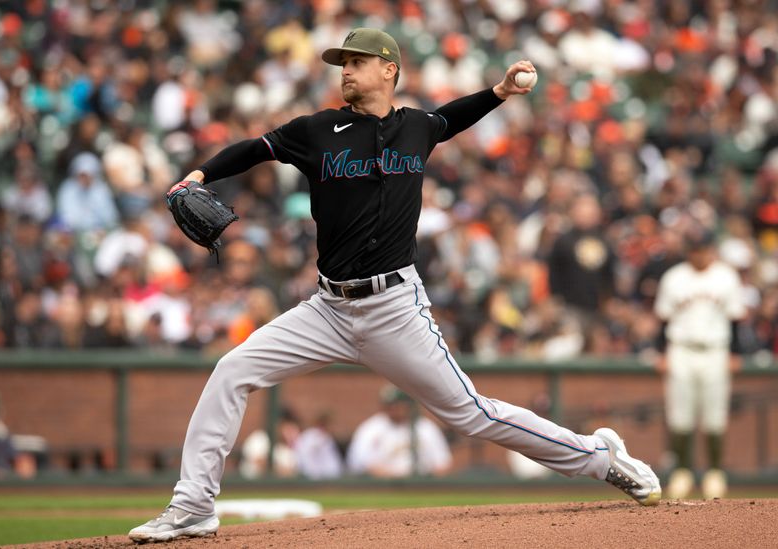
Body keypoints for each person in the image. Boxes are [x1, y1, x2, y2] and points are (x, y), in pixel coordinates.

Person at [129, 28, 661, 542]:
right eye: (343, 65)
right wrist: (200, 175)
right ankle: (192, 507)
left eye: (356, 62)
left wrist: (499, 92)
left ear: (389, 70)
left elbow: (451, 117)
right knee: (233, 370)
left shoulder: (416, 127)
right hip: (327, 310)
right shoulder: (316, 130)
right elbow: (255, 149)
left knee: (472, 414)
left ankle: (599, 457)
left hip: (393, 308)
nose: (346, 72)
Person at [654, 229, 746, 500]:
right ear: (688, 251)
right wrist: (662, 352)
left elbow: (735, 319)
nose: (699, 254)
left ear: (711, 250)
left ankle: (715, 472)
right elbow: (663, 319)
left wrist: (735, 352)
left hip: (716, 349)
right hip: (681, 349)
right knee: (679, 413)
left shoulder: (726, 276)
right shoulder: (674, 277)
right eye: (694, 249)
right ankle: (682, 472)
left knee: (715, 414)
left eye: (703, 249)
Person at [346, 386, 452, 478]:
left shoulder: (426, 427)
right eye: (389, 405)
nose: (393, 409)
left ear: (408, 405)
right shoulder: (371, 428)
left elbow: (443, 464)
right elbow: (360, 464)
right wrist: (394, 477)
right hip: (384, 487)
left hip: (422, 486)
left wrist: (428, 478)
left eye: (398, 405)